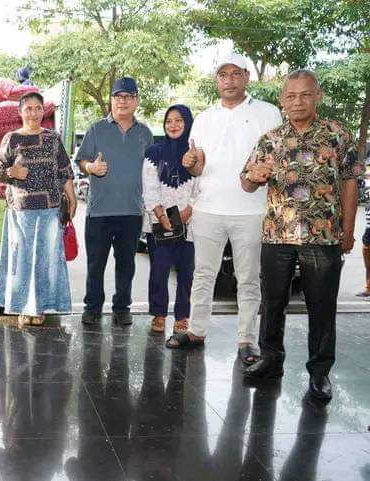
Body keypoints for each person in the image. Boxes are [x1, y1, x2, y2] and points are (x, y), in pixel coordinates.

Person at [241, 70, 362, 404]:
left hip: (323, 237)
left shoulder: (337, 134)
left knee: (321, 307)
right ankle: (270, 360)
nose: (298, 102)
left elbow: (350, 182)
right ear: (282, 100)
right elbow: (247, 182)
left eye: (305, 95)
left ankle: (320, 372)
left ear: (318, 96)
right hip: (277, 235)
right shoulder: (270, 139)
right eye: (291, 96)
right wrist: (254, 176)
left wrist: (348, 230)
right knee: (273, 302)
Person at [166, 53, 282, 365]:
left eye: (234, 74)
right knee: (203, 274)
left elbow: (276, 158)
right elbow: (198, 166)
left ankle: (246, 339)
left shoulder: (268, 113)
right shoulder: (204, 118)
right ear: (216, 80)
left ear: (246, 76)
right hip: (208, 209)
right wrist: (190, 163)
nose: (228, 80)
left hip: (251, 210)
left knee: (248, 279)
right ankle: (196, 330)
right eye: (222, 75)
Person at [75, 77, 154, 326]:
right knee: (95, 264)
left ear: (136, 101)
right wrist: (91, 167)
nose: (123, 101)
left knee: (126, 265)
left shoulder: (144, 133)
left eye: (129, 97)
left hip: (131, 210)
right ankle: (92, 307)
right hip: (99, 211)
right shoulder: (96, 129)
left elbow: (152, 171)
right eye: (118, 96)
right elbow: (81, 161)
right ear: (111, 100)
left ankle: (122, 307)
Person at [0, 92, 76, 326]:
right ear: (20, 112)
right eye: (28, 108)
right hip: (20, 211)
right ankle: (22, 307)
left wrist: (71, 198)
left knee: (46, 259)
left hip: (49, 210)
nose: (33, 113)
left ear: (43, 111)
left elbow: (64, 171)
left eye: (38, 108)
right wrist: (11, 172)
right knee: (21, 259)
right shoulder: (11, 139)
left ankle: (39, 307)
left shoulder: (53, 138)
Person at [142, 105, 197, 334]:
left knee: (186, 272)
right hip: (159, 221)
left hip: (190, 222)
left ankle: (182, 316)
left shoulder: (196, 153)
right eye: (168, 121)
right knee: (159, 269)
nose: (173, 125)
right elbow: (149, 186)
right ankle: (159, 314)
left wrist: (188, 211)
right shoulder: (153, 152)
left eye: (179, 120)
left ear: (188, 123)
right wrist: (160, 214)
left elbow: (202, 184)